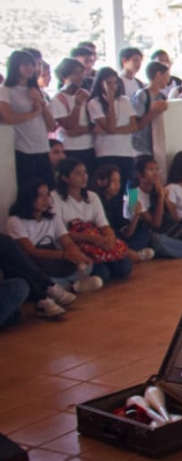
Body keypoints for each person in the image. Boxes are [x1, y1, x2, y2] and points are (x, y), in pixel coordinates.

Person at [6, 179, 103, 300]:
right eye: (40, 196)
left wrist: (77, 255)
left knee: (88, 263)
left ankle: (68, 287)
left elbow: (66, 240)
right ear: (28, 198)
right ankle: (71, 287)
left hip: (55, 259)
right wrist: (63, 255)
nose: (46, 200)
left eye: (47, 195)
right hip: (37, 263)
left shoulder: (51, 215)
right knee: (37, 280)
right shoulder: (15, 221)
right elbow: (30, 251)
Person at [50, 159, 135, 283]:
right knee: (103, 274)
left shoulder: (92, 196)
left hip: (97, 243)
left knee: (125, 267)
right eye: (78, 173)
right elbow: (61, 233)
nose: (84, 176)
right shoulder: (55, 197)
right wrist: (92, 239)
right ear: (65, 178)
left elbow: (104, 225)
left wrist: (110, 239)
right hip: (75, 245)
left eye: (85, 172)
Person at [1, 50, 55, 187]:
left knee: (47, 187)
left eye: (32, 64)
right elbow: (8, 118)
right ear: (15, 66)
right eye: (25, 65)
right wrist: (35, 112)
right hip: (22, 148)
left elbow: (51, 125)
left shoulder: (38, 91)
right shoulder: (5, 90)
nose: (31, 68)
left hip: (42, 147)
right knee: (28, 189)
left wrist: (40, 103)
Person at [87, 67, 137, 186]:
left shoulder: (124, 101)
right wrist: (110, 103)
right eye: (108, 83)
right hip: (107, 153)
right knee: (111, 188)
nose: (112, 86)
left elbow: (134, 126)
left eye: (115, 83)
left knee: (132, 184)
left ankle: (133, 205)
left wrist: (114, 131)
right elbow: (110, 127)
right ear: (100, 83)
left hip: (126, 152)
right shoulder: (94, 103)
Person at [131, 61, 170, 159]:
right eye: (166, 76)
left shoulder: (162, 96)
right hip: (141, 148)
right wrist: (153, 112)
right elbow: (136, 125)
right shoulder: (141, 95)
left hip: (157, 146)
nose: (168, 80)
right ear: (158, 74)